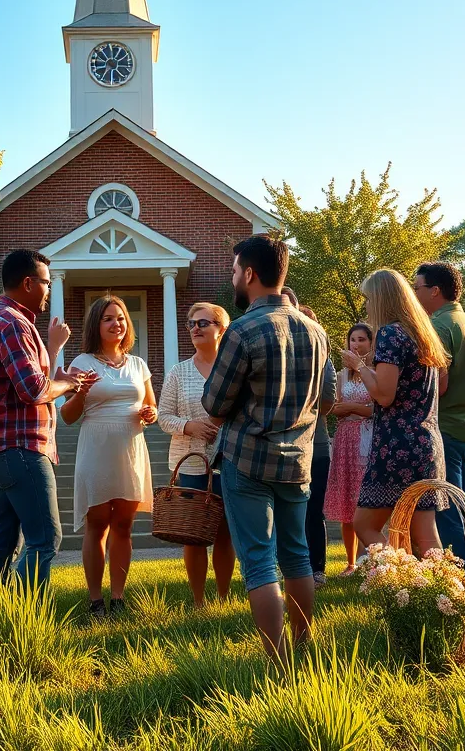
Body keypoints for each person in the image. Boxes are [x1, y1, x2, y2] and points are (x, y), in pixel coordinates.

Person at [202, 235, 329, 660]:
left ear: (250, 274)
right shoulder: (316, 331)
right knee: (297, 555)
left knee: (259, 561)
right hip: (299, 460)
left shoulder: (241, 330)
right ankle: (304, 647)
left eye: (235, 271)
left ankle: (278, 660)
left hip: (248, 460)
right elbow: (325, 398)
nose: (233, 278)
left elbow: (215, 403)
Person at [0, 250, 94, 590]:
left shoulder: (0, 319)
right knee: (45, 539)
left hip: (3, 448)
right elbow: (33, 389)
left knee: (3, 541)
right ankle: (29, 612)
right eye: (46, 283)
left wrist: (58, 378)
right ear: (28, 283)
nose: (49, 290)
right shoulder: (12, 323)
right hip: (20, 446)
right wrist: (70, 384)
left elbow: (30, 384)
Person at [63, 296, 155, 619]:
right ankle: (95, 600)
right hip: (96, 446)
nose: (117, 323)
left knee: (124, 526)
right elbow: (67, 416)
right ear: (96, 325)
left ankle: (118, 598)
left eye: (121, 318)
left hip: (130, 446)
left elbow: (151, 406)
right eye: (108, 319)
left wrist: (150, 413)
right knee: (98, 524)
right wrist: (83, 392)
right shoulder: (81, 363)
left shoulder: (138, 364)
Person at [346, 270, 448, 556]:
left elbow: (384, 395)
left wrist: (360, 367)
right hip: (426, 443)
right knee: (424, 535)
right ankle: (440, 582)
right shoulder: (421, 333)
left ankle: (401, 575)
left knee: (364, 524)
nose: (367, 305)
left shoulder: (390, 334)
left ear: (381, 299)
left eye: (368, 299)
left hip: (396, 444)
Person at [157, 302, 235, 608]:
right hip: (189, 463)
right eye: (191, 324)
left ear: (221, 329)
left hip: (229, 460)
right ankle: (199, 601)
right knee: (193, 534)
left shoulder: (233, 370)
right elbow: (164, 417)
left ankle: (224, 597)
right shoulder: (178, 371)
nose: (195, 328)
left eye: (203, 323)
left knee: (226, 532)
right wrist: (190, 426)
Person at [413, 262, 465, 568]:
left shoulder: (438, 326)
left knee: (447, 512)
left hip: (447, 430)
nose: (414, 294)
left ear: (435, 291)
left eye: (417, 288)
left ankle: (462, 578)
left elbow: (439, 385)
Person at [290, 300, 337, 588]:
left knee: (313, 509)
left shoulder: (324, 361)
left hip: (314, 443)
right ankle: (297, 568)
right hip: (295, 445)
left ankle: (316, 569)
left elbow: (329, 399)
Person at [324, 323, 375, 575]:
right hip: (345, 439)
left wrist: (353, 408)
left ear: (371, 343)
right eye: (352, 340)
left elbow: (379, 408)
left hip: (367, 436)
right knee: (347, 499)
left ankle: (370, 559)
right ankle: (351, 561)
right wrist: (338, 409)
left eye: (362, 339)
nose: (356, 345)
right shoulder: (341, 375)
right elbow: (332, 405)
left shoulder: (375, 372)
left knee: (365, 498)